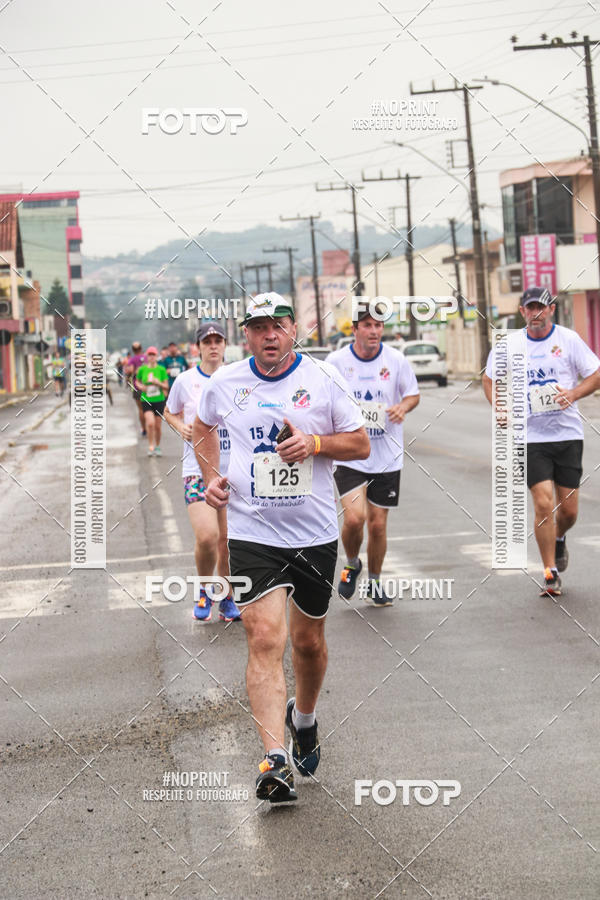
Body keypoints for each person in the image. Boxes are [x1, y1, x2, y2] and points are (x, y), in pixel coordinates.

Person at [193, 292, 369, 804]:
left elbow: (358, 443)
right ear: (245, 334)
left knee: (308, 643)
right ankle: (275, 759)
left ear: (294, 330)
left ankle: (305, 718)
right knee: (265, 638)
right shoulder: (226, 382)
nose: (270, 334)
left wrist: (314, 444)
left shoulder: (323, 380)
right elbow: (202, 427)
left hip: (313, 534)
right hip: (252, 533)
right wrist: (212, 476)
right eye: (259, 326)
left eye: (279, 325)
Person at [483, 286, 600, 597]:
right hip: (529, 436)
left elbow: (595, 374)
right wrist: (500, 406)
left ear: (551, 309)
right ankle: (550, 572)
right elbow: (489, 378)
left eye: (541, 307)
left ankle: (559, 538)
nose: (536, 313)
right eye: (530, 308)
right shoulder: (511, 344)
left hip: (567, 434)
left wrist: (573, 394)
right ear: (522, 312)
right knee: (543, 502)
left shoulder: (568, 340)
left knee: (569, 510)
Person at [327, 304, 420, 606]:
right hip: (350, 453)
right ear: (354, 330)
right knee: (355, 519)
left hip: (387, 455)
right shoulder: (336, 362)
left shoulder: (396, 360)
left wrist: (402, 407)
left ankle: (376, 583)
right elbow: (321, 398)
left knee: (378, 524)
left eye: (378, 325)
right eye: (367, 325)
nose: (374, 331)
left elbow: (413, 394)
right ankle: (353, 563)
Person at [165, 323, 240, 623]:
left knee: (228, 540)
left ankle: (227, 596)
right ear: (197, 347)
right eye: (207, 341)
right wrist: (179, 425)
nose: (213, 346)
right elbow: (169, 411)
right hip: (197, 470)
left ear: (225, 345)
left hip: (233, 471)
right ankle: (204, 588)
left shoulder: (236, 378)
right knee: (208, 537)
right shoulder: (185, 381)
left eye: (218, 340)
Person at [135, 347, 169, 456]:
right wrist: (141, 387)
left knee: (158, 426)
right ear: (147, 356)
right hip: (146, 399)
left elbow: (166, 386)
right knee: (150, 423)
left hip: (159, 400)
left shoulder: (161, 369)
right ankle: (151, 446)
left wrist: (158, 383)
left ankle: (158, 446)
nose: (151, 357)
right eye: (149, 355)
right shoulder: (142, 369)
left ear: (156, 356)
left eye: (153, 355)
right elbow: (137, 381)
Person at [125, 342, 147, 435]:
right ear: (141, 348)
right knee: (150, 407)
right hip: (148, 385)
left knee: (141, 409)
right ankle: (151, 425)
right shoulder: (147, 358)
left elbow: (129, 371)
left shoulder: (132, 360)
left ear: (133, 350)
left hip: (137, 386)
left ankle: (143, 428)